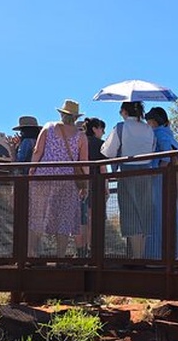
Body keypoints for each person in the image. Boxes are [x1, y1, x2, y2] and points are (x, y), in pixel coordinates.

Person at [28, 99, 88, 258]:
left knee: (38, 215)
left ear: (61, 114)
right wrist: (85, 184)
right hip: (67, 179)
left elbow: (37, 151)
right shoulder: (81, 136)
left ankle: (31, 254)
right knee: (64, 218)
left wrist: (32, 170)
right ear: (76, 117)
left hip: (44, 176)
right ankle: (60, 256)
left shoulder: (48, 127)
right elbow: (84, 162)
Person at [100, 101, 155, 259]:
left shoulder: (120, 127)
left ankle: (136, 257)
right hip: (147, 172)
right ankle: (141, 256)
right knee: (144, 213)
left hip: (127, 173)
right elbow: (152, 149)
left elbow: (108, 151)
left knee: (130, 214)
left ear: (124, 111)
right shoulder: (148, 129)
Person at [143, 107, 178, 260]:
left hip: (159, 178)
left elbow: (166, 156)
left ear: (154, 121)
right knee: (171, 213)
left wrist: (158, 171)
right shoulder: (169, 134)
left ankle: (156, 254)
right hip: (168, 179)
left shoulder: (159, 133)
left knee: (156, 214)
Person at [76, 117, 107, 257]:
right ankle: (92, 250)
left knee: (80, 219)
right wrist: (106, 187)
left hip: (79, 184)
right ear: (94, 129)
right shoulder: (100, 144)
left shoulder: (79, 142)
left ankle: (80, 251)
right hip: (96, 184)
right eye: (101, 129)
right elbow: (103, 167)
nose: (103, 132)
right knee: (93, 219)